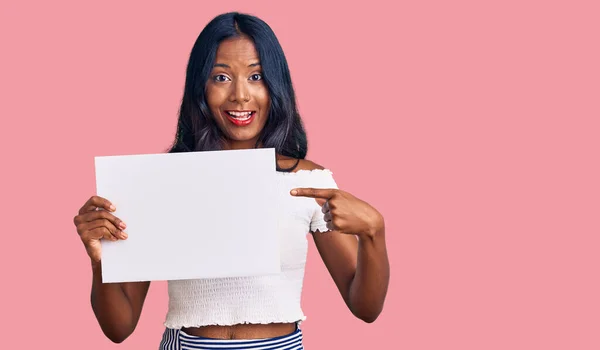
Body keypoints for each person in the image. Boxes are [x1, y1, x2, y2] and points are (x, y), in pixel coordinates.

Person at [73, 12, 390, 349]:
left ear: (276, 85)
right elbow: (118, 328)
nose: (240, 95)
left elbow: (365, 308)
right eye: (221, 77)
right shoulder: (161, 180)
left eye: (256, 76)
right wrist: (100, 260)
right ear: (201, 86)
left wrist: (375, 232)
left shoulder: (308, 181)